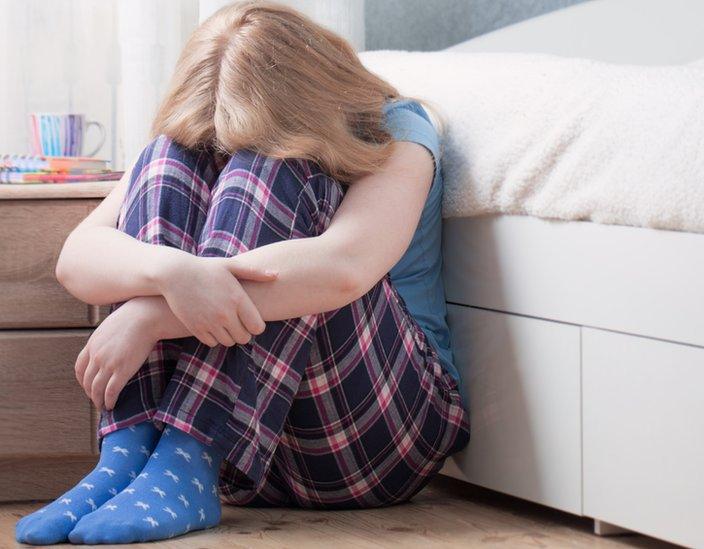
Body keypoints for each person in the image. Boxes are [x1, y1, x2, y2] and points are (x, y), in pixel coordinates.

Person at [14, 1, 468, 544]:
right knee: (167, 158)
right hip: (247, 451)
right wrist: (172, 272)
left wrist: (152, 313)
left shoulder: (398, 129)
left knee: (280, 166)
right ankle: (130, 459)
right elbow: (78, 258)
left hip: (377, 441)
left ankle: (186, 456)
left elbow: (344, 269)